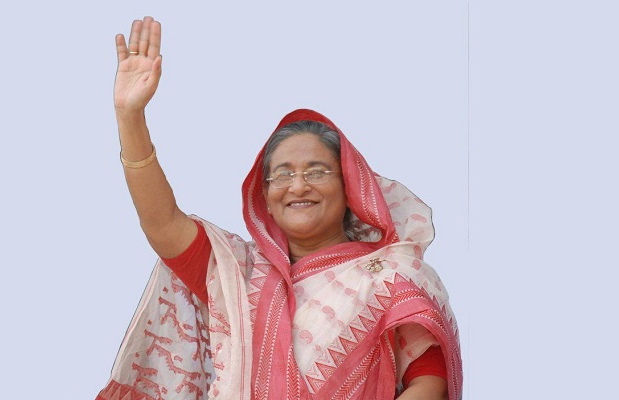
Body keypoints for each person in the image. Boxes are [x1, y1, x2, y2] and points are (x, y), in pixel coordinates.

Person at [96, 16, 462, 400]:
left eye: (317, 171)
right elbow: (162, 224)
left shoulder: (390, 275)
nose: (298, 186)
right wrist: (130, 117)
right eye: (283, 174)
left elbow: (429, 381)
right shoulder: (237, 275)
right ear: (266, 199)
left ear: (350, 187)